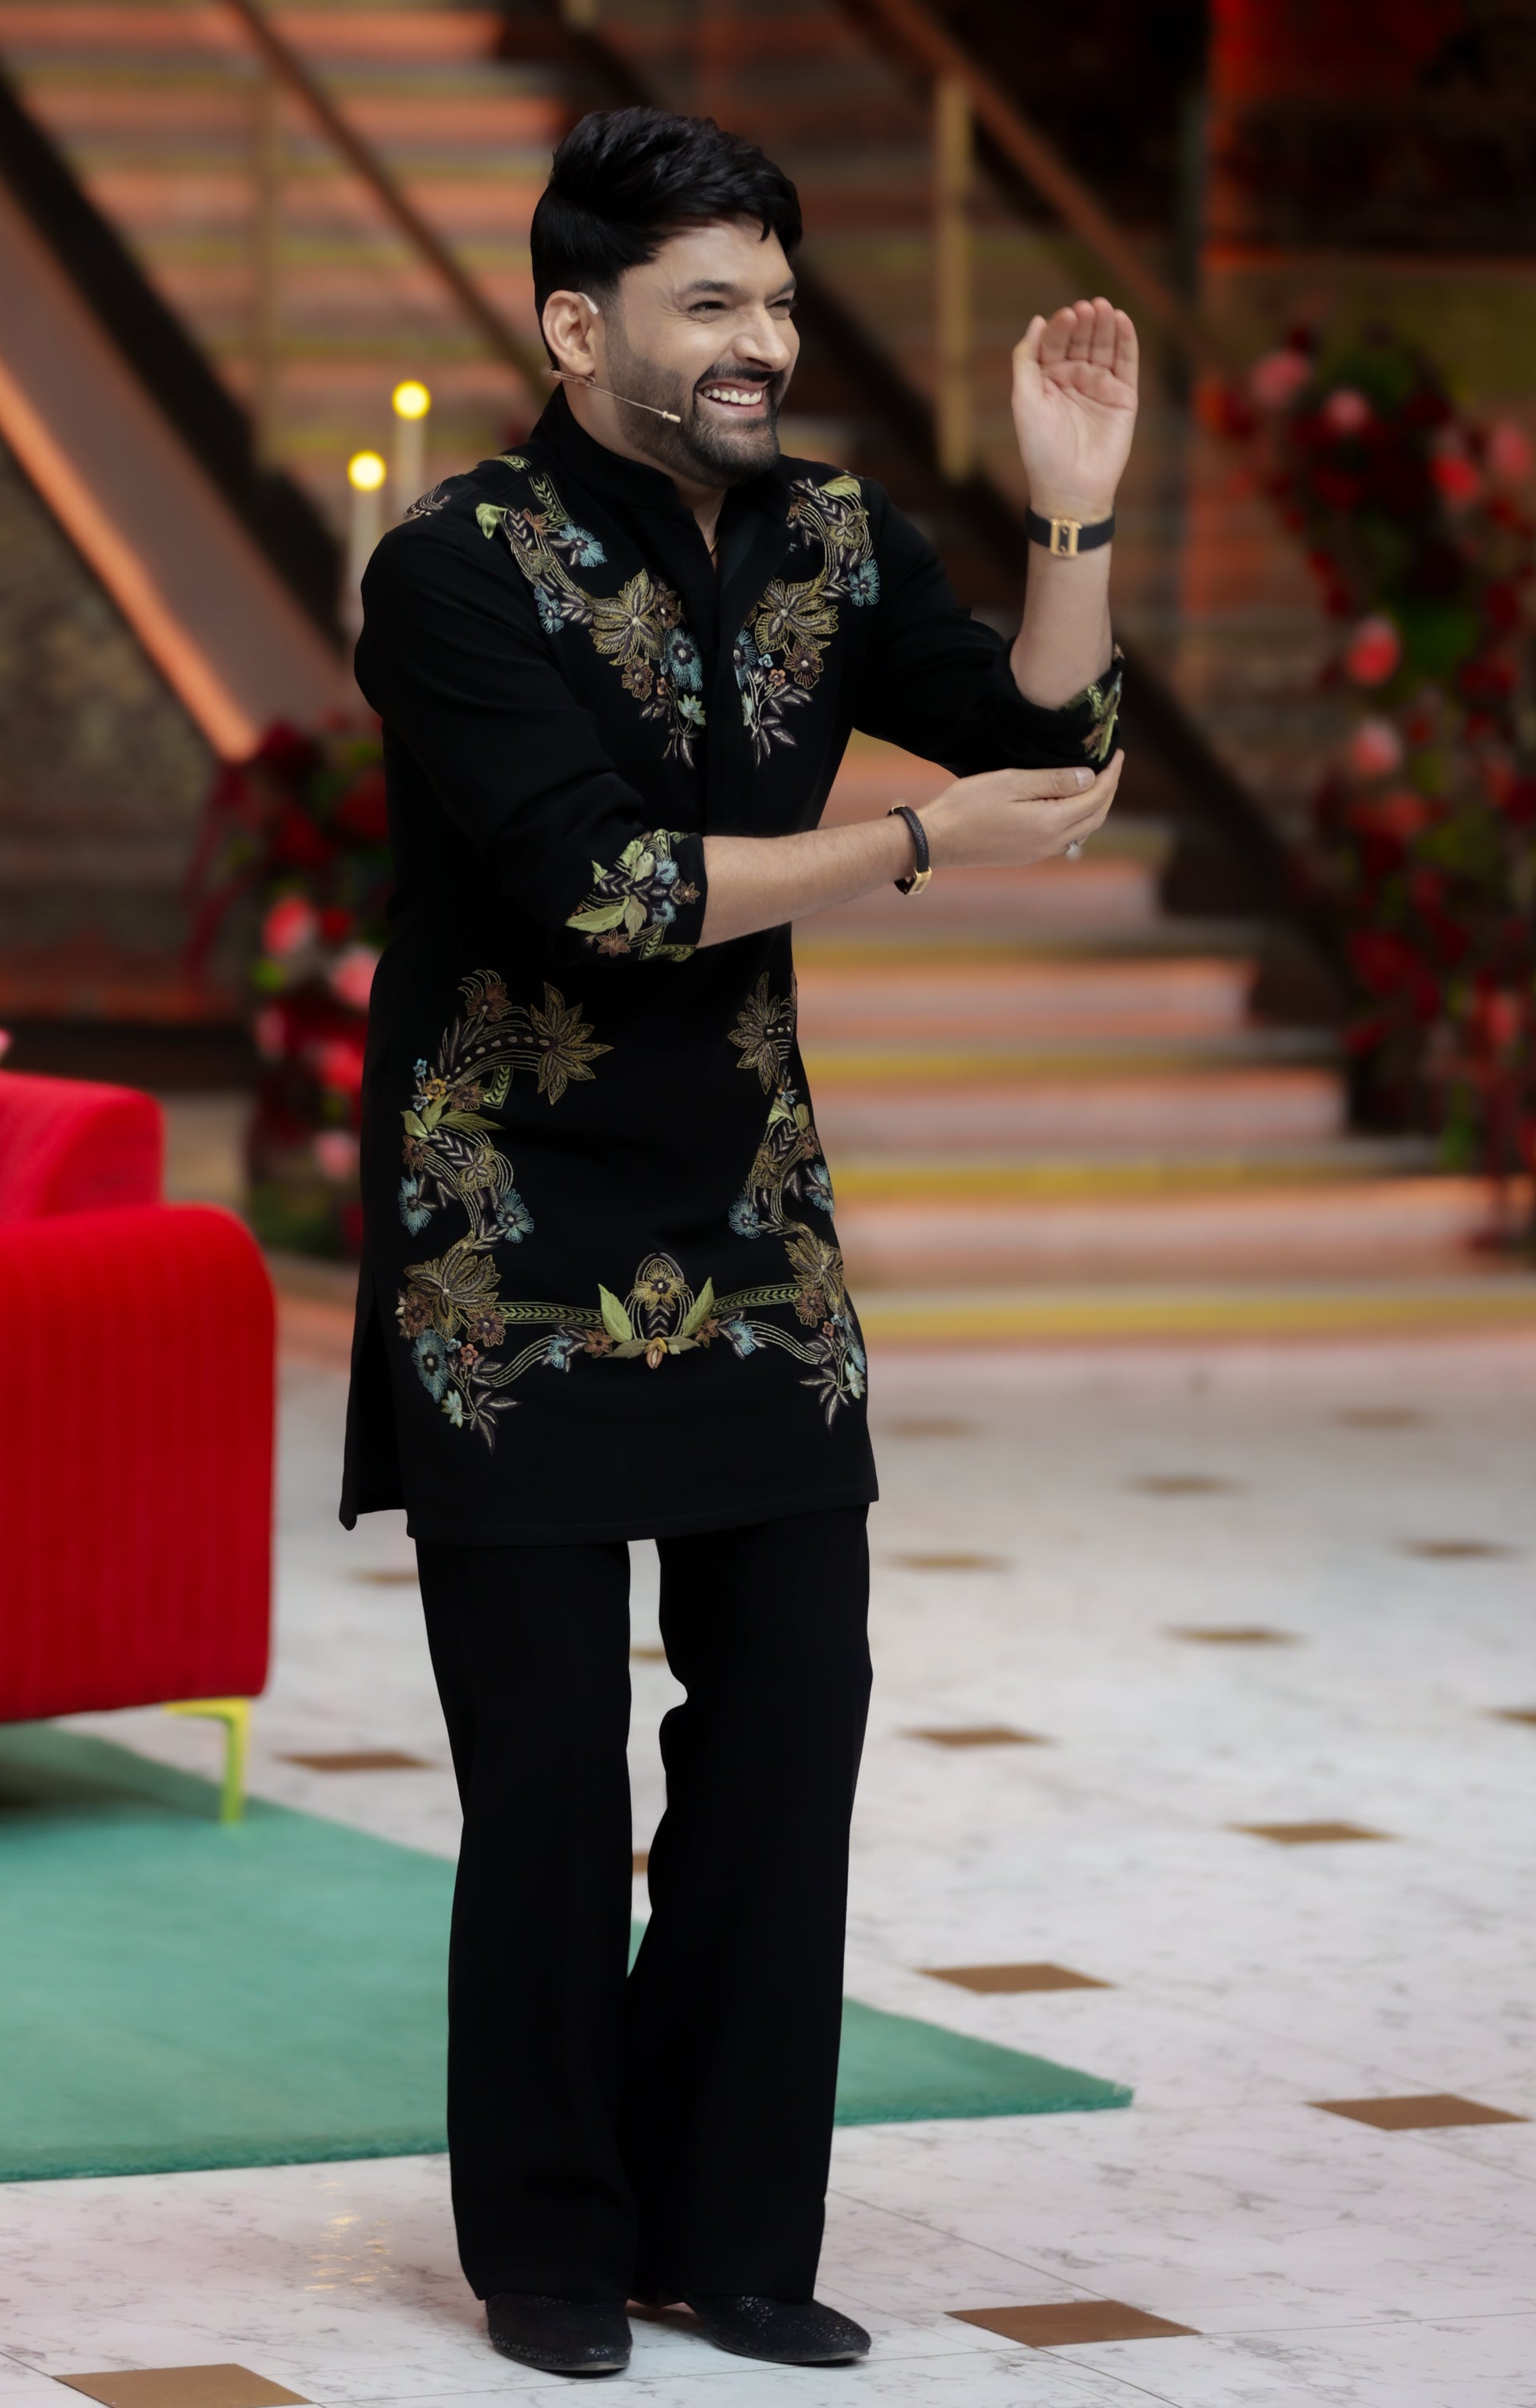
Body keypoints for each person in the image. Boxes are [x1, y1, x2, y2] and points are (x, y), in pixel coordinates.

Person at [342, 104, 1134, 2381]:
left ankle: (733, 2229)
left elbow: (1052, 739)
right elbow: (611, 889)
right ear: (575, 327)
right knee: (549, 1772)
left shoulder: (830, 538)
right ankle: (550, 2241)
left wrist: (1071, 509)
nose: (759, 340)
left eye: (776, 299)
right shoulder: (454, 571)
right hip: (504, 1228)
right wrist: (912, 844)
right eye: (709, 302)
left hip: (749, 1221)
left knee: (791, 1729)